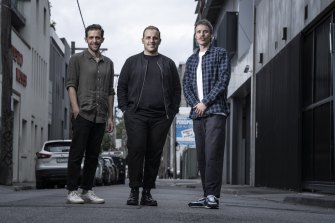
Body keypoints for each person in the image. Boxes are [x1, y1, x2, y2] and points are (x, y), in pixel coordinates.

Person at [117, 25, 181, 206]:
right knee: (136, 150)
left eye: (155, 38)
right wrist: (124, 109)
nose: (151, 40)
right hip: (136, 115)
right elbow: (121, 86)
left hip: (161, 117)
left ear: (159, 40)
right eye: (148, 37)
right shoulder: (131, 62)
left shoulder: (168, 63)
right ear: (142, 40)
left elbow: (177, 90)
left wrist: (172, 111)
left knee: (154, 154)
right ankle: (134, 190)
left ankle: (147, 192)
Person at [183, 19, 231, 209]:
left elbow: (223, 80)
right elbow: (186, 85)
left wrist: (205, 102)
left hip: (215, 111)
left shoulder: (220, 53)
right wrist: (196, 104)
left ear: (211, 34)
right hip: (198, 113)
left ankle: (213, 195)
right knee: (202, 156)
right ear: (195, 36)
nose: (201, 35)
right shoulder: (192, 59)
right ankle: (206, 194)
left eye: (205, 32)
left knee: (213, 154)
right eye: (198, 32)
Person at [66, 24, 115, 204]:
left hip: (100, 115)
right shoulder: (76, 59)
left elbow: (110, 91)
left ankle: (87, 189)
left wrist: (110, 116)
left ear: (102, 39)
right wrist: (75, 109)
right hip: (83, 113)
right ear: (86, 39)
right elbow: (71, 85)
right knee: (77, 153)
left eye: (97, 37)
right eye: (91, 37)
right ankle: (71, 190)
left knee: (93, 155)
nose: (94, 40)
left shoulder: (108, 63)